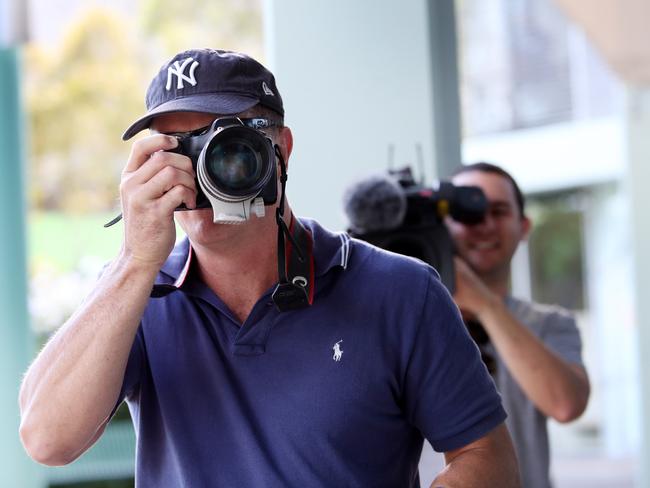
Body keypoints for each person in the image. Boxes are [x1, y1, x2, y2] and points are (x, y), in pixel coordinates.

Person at [18, 48, 520, 487]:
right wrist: (134, 261)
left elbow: (487, 456)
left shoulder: (399, 291)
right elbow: (46, 441)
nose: (200, 172)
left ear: (279, 149)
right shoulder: (135, 295)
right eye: (177, 150)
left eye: (224, 146)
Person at [445, 162, 591, 488]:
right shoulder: (408, 319)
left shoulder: (550, 323)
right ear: (442, 226)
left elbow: (565, 404)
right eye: (467, 213)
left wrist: (482, 303)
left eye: (498, 211)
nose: (483, 224)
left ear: (524, 227)